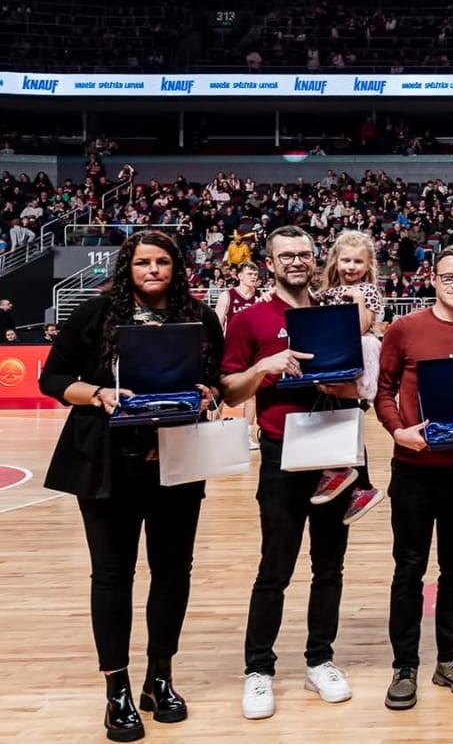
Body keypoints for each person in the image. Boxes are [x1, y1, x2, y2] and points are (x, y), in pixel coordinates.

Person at [39, 230, 223, 742]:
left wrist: (209, 390)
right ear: (128, 266)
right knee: (112, 576)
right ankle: (116, 688)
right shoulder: (94, 315)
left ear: (175, 267)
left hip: (176, 462)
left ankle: (159, 678)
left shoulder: (200, 317)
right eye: (143, 262)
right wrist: (98, 393)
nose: (153, 270)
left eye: (163, 261)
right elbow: (53, 381)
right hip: (106, 465)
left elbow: (216, 379)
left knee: (172, 573)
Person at [221, 226, 365, 720]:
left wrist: (353, 388)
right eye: (287, 255)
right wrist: (265, 366)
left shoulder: (333, 315)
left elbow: (357, 381)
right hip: (282, 453)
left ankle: (319, 659)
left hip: (335, 449)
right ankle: (258, 669)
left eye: (304, 254)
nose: (297, 261)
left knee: (330, 567)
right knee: (274, 568)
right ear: (270, 261)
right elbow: (230, 393)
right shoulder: (250, 320)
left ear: (314, 258)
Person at [375, 245, 453, 709]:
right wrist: (397, 430)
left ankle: (450, 658)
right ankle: (404, 665)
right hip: (413, 470)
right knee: (408, 569)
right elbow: (383, 390)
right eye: (448, 277)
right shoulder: (405, 329)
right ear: (433, 279)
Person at [309, 231, 385, 525]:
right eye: (346, 260)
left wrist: (356, 301)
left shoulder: (367, 292)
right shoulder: (326, 292)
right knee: (336, 416)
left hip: (356, 357)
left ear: (368, 265)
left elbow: (362, 326)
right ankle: (356, 482)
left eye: (358, 262)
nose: (351, 267)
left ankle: (354, 478)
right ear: (335, 261)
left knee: (346, 412)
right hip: (331, 355)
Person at [215, 261, 262, 449]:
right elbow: (217, 324)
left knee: (252, 394)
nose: (253, 277)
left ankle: (247, 435)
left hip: (253, 350)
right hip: (231, 350)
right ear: (240, 276)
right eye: (250, 274)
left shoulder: (260, 297)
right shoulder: (227, 296)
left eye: (255, 275)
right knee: (221, 391)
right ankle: (214, 432)